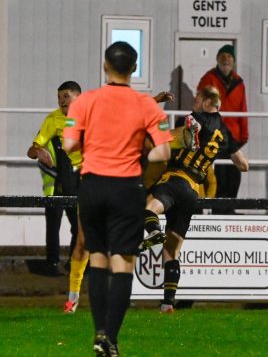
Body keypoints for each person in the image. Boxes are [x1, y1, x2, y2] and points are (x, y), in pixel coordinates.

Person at [63, 42, 172, 356]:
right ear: (133, 68)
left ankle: (99, 333)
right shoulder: (148, 106)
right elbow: (163, 152)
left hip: (93, 186)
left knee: (97, 257)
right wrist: (139, 152)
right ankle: (111, 337)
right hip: (127, 189)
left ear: (104, 65)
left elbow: (69, 144)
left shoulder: (85, 101)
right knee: (122, 263)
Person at [140, 86, 248, 313]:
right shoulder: (225, 133)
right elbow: (243, 165)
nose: (194, 100)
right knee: (173, 248)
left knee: (149, 210)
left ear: (209, 102)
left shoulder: (194, 119)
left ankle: (152, 232)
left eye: (198, 97)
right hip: (192, 193)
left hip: (175, 179)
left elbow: (173, 137)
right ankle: (168, 303)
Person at [26, 81, 89, 312]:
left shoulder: (92, 113)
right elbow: (31, 149)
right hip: (75, 181)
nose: (61, 100)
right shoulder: (53, 120)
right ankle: (72, 295)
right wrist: (38, 150)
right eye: (59, 97)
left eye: (66, 96)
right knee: (80, 235)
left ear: (78, 98)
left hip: (99, 176)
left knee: (92, 236)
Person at [197, 44, 248, 214]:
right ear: (217, 59)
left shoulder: (239, 83)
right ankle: (217, 209)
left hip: (232, 135)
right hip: (214, 134)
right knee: (216, 174)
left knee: (233, 174)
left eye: (229, 56)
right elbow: (201, 103)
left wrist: (244, 134)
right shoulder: (208, 79)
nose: (226, 59)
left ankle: (229, 208)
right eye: (223, 56)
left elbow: (243, 108)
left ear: (234, 61)